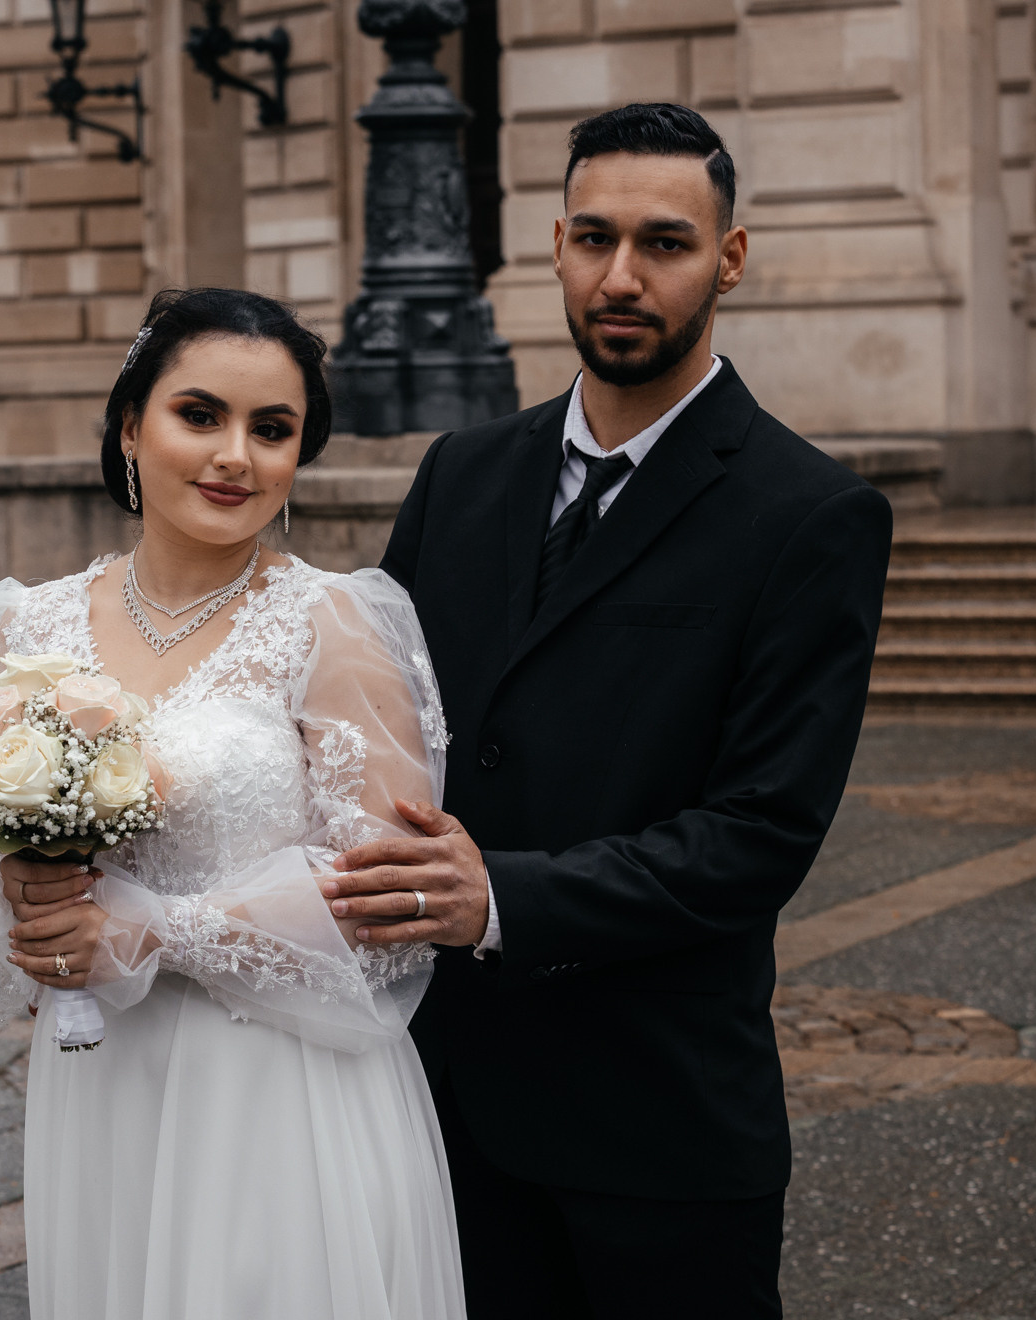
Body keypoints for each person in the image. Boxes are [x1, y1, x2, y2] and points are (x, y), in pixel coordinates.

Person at [318, 102, 895, 1317]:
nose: (621, 275)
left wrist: (504, 900)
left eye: (666, 243)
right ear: (556, 245)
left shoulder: (811, 515)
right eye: (594, 237)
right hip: (441, 1111)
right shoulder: (459, 474)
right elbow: (365, 743)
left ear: (729, 260)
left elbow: (760, 836)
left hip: (661, 1130)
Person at [0, 287, 465, 1320]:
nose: (234, 457)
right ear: (132, 424)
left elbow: (392, 918)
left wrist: (159, 930)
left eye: (272, 429)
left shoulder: (333, 623)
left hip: (280, 1089)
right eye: (199, 415)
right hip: (104, 1088)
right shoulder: (22, 629)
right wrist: (18, 896)